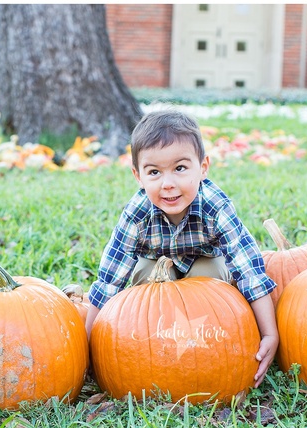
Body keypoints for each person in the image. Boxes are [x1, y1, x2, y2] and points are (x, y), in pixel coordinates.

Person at [85, 109, 278, 388]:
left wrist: (269, 334)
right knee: (141, 277)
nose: (168, 184)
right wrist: (88, 348)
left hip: (205, 263)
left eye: (180, 168)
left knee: (211, 278)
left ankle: (204, 341)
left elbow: (250, 272)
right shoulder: (136, 213)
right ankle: (159, 337)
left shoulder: (215, 206)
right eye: (154, 172)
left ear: (203, 167)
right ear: (138, 177)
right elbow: (109, 280)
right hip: (157, 267)